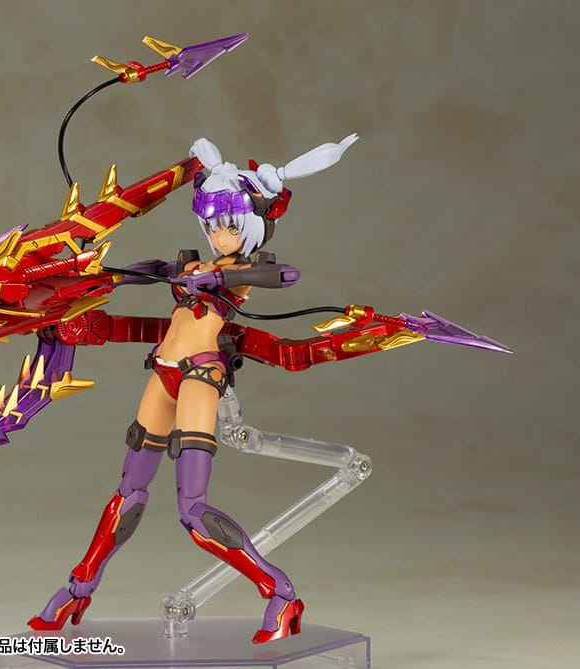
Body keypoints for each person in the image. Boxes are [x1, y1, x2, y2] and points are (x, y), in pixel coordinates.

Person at [28, 134, 358, 643]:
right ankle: (80, 587)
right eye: (213, 224)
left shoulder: (240, 271)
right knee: (129, 490)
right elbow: (148, 282)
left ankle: (280, 593)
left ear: (252, 222)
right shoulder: (191, 267)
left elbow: (282, 274)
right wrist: (100, 286)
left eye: (230, 224)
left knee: (193, 511)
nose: (220, 233)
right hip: (163, 371)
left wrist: (216, 279)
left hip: (201, 377)